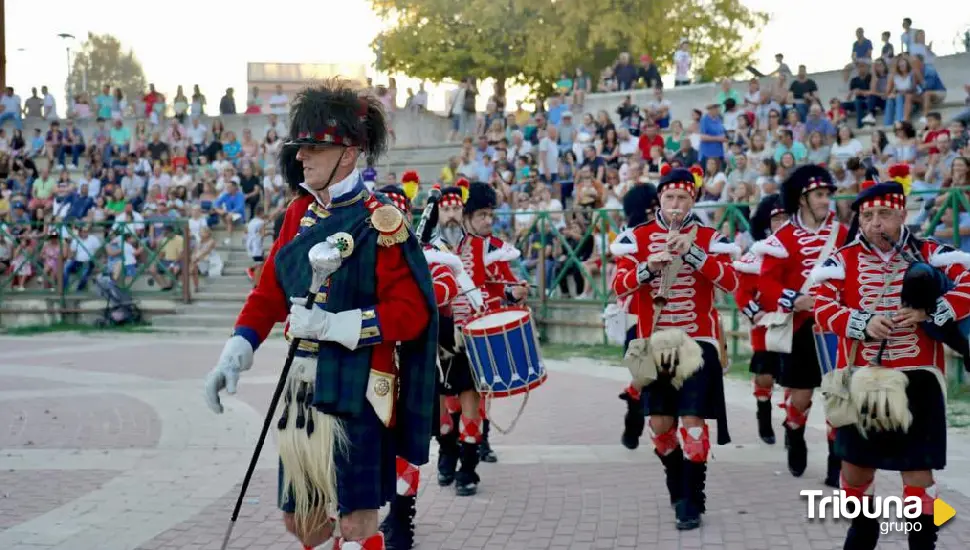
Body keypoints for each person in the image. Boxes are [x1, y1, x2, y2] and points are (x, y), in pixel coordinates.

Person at [203, 80, 438, 550]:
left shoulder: (381, 221)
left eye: (313, 148)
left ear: (347, 153)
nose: (301, 158)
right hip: (303, 385)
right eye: (301, 147)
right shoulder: (298, 215)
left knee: (357, 522)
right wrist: (236, 350)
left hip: (357, 381)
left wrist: (336, 325)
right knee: (303, 522)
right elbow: (269, 291)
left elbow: (411, 313)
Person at [812, 178, 970, 549]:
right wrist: (861, 323)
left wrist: (933, 311)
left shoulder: (931, 252)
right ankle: (864, 529)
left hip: (918, 377)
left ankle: (921, 541)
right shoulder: (842, 259)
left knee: (917, 471)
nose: (874, 224)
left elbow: (967, 283)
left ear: (902, 213)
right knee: (854, 468)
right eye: (867, 216)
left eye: (883, 214)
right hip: (864, 376)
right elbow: (821, 305)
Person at [612, 166, 741, 530]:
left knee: (693, 423)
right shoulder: (636, 237)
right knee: (660, 426)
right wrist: (648, 267)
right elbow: (619, 286)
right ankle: (676, 482)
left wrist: (697, 255)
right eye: (669, 197)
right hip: (654, 341)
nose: (675, 204)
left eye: (682, 198)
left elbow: (731, 282)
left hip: (698, 341)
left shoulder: (710, 237)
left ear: (693, 200)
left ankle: (692, 497)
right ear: (660, 199)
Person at [377, 184, 486, 549]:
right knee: (376, 444)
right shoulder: (361, 254)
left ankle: (402, 516)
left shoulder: (431, 254)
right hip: (373, 364)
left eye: (400, 213)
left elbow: (442, 288)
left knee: (408, 442)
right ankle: (383, 510)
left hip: (424, 356)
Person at [751, 164, 848, 487]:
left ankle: (837, 463)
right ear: (803, 199)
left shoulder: (844, 233)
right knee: (802, 396)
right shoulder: (784, 236)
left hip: (835, 326)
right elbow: (766, 283)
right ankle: (794, 431)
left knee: (838, 396)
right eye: (819, 195)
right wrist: (794, 299)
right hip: (801, 327)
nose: (825, 201)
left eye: (827, 195)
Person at [732, 194, 788, 445]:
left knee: (794, 381)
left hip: (796, 323)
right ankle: (764, 418)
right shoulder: (754, 258)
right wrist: (756, 313)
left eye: (786, 217)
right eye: (776, 219)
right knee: (765, 376)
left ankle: (793, 427)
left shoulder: (804, 253)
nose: (781, 222)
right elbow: (742, 293)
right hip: (765, 325)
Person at [611, 182, 659, 450]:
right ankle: (634, 407)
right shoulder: (628, 239)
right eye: (649, 209)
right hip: (637, 314)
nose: (655, 214)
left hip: (671, 313)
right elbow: (622, 281)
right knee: (645, 375)